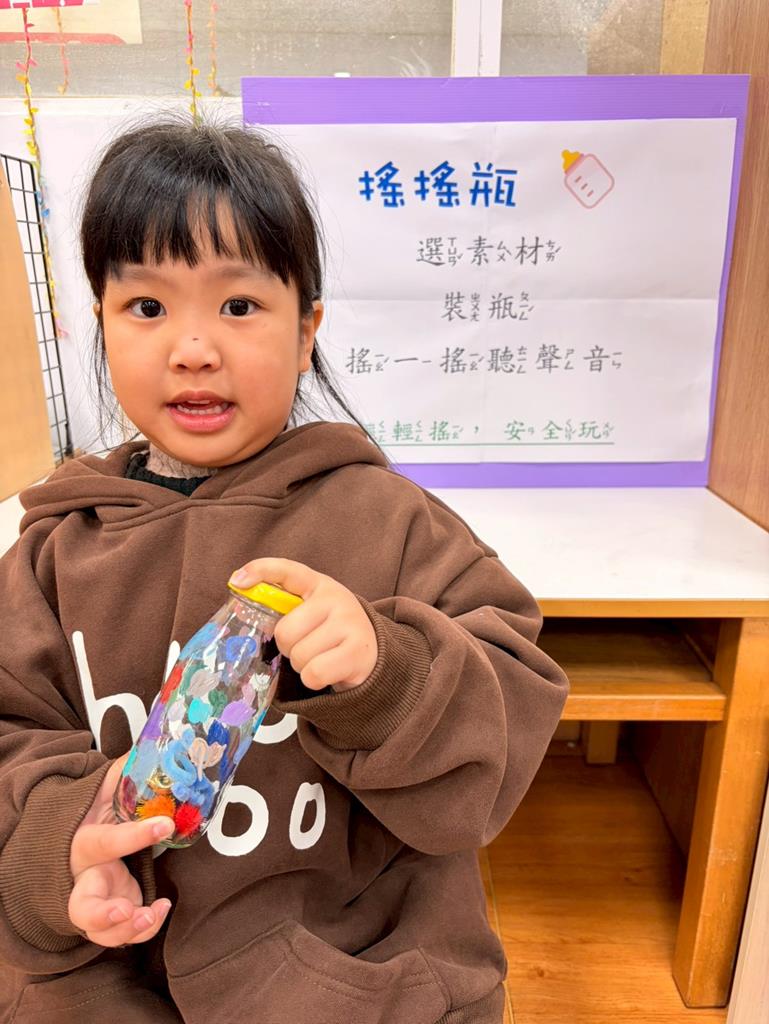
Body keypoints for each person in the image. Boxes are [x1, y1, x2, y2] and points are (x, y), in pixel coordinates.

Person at [0, 112, 569, 1024]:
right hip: (105, 974)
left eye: (238, 306)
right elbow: (11, 734)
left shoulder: (390, 521)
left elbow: (509, 708)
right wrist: (60, 843)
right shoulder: (52, 552)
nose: (193, 349)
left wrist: (388, 673)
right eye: (146, 307)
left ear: (306, 332)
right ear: (98, 326)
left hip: (348, 972)